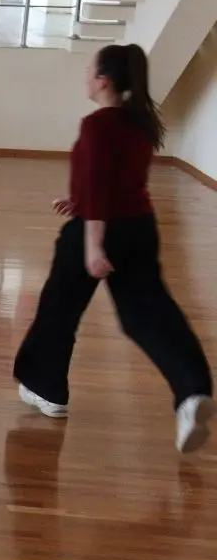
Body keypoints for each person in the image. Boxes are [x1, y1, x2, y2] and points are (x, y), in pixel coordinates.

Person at [13, 43, 213, 452]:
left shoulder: (98, 125)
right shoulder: (139, 121)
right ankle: (192, 393)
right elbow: (113, 179)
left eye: (90, 70)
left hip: (99, 230)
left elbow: (102, 189)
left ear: (103, 80)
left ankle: (47, 389)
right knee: (149, 315)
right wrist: (78, 200)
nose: (85, 76)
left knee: (58, 310)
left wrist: (93, 245)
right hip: (140, 227)